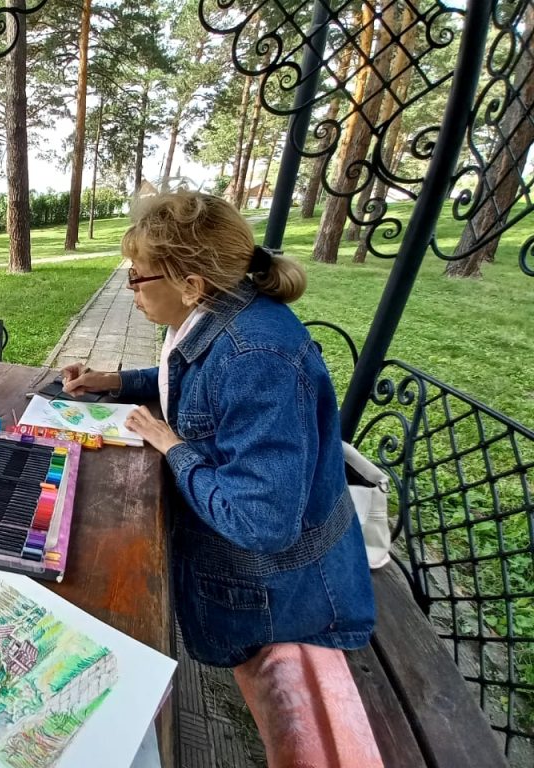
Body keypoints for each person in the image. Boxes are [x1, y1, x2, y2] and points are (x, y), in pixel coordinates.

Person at [62, 190, 382, 766]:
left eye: (137, 279)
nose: (130, 291)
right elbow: (185, 377)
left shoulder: (255, 355)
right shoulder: (220, 315)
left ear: (189, 283)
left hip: (277, 597)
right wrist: (113, 379)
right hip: (258, 575)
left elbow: (261, 520)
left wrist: (175, 447)